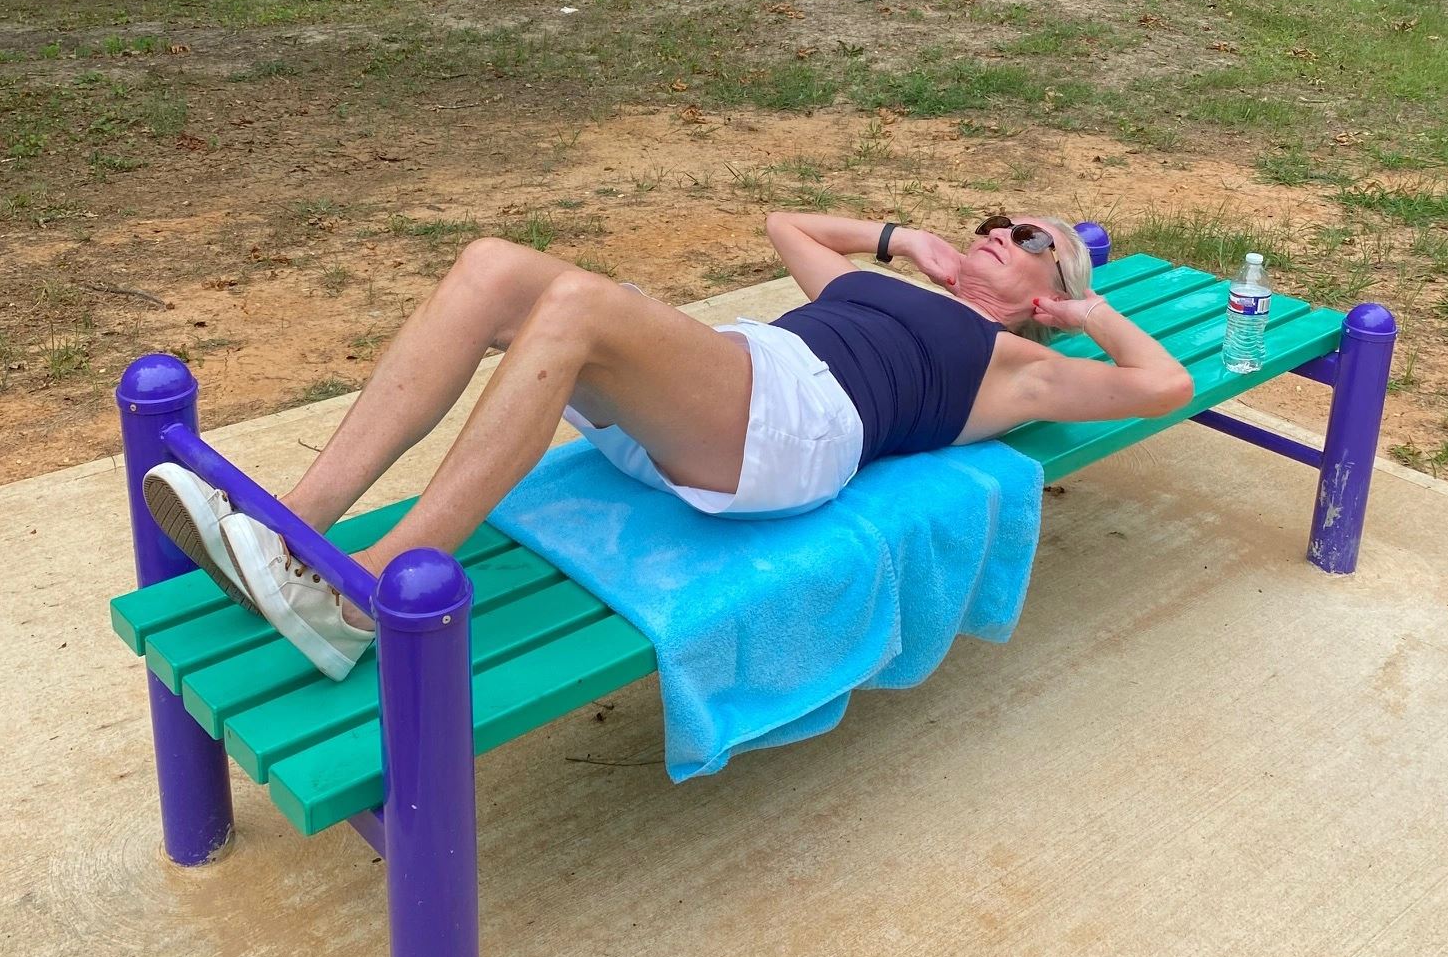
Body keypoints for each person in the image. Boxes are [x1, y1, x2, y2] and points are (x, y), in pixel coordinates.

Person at [143, 210, 1193, 679]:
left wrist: (1083, 315)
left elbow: (1164, 384)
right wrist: (895, 241)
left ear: (1045, 292)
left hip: (791, 433)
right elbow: (786, 225)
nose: (997, 234)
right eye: (997, 221)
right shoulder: (885, 288)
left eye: (1029, 243)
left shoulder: (1014, 365)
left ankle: (366, 595)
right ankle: (292, 530)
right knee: (495, 266)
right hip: (722, 392)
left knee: (580, 307)